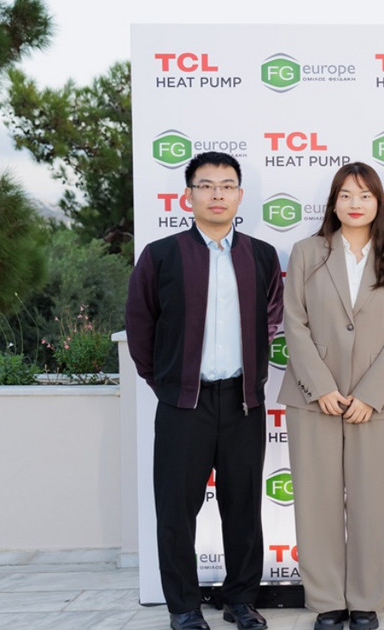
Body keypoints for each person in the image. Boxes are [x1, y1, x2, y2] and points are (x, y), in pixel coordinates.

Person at [126, 151, 282, 630]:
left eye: (227, 185)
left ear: (239, 194)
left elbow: (271, 318)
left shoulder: (260, 254)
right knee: (176, 509)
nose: (218, 194)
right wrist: (167, 381)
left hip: (242, 402)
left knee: (243, 507)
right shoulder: (162, 255)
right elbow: (140, 325)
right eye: (207, 185)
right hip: (183, 404)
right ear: (188, 195)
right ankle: (184, 607)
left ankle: (240, 600)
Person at [278, 162, 384, 630]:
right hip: (312, 398)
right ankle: (325, 601)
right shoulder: (306, 252)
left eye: (365, 195)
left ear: (379, 203)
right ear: (333, 203)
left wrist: (370, 395)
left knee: (370, 503)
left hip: (374, 404)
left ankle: (366, 600)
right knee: (315, 501)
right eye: (346, 195)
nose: (355, 204)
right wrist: (321, 387)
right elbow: (294, 323)